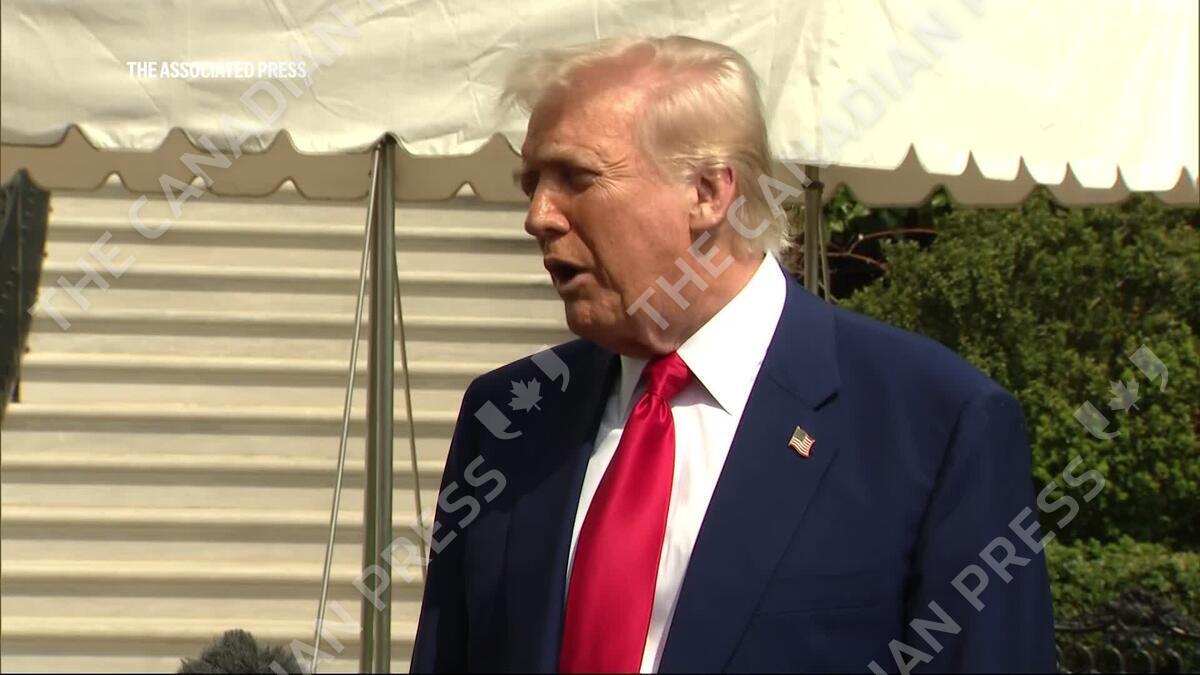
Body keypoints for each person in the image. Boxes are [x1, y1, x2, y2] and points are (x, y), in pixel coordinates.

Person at [410, 35, 1056, 673]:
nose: (539, 216)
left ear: (708, 193)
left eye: (576, 177)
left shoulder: (931, 424)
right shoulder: (510, 417)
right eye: (532, 184)